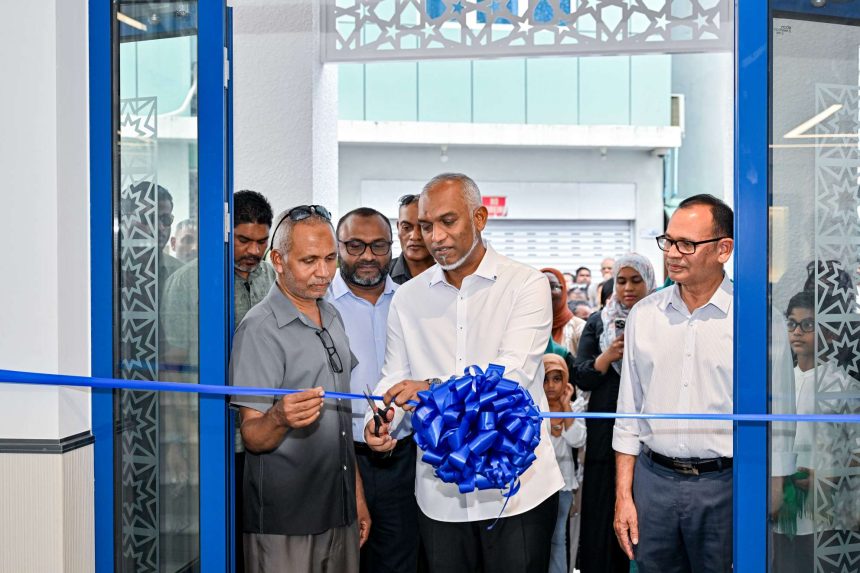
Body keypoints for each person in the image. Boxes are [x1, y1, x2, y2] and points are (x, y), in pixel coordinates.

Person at [364, 173, 564, 573]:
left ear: (480, 218)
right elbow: (394, 377)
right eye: (425, 225)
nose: (434, 237)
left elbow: (510, 378)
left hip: (520, 491)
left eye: (447, 221)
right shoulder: (407, 298)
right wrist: (384, 420)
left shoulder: (525, 284)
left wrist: (431, 389)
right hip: (439, 495)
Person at [229, 204, 369, 573]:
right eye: (309, 260)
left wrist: (356, 496)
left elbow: (340, 424)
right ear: (278, 260)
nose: (323, 272)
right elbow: (252, 435)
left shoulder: (332, 316)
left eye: (330, 258)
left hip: (339, 510)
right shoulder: (259, 328)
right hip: (285, 521)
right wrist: (279, 417)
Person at [612, 194, 735, 572]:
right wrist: (624, 495)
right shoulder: (645, 315)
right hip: (654, 483)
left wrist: (773, 489)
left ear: (723, 249)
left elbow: (778, 410)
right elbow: (628, 411)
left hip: (725, 486)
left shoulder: (751, 317)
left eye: (687, 244)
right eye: (668, 241)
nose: (672, 254)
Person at [161, 190, 277, 571]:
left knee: (260, 538)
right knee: (218, 537)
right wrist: (178, 442)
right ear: (225, 234)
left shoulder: (272, 278)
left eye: (261, 241)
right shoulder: (187, 283)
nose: (254, 251)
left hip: (268, 435)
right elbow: (173, 369)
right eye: (244, 240)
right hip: (210, 438)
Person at [326, 207, 419, 573]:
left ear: (392, 246)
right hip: (339, 458)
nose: (367, 255)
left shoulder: (412, 301)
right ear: (338, 246)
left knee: (400, 561)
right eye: (355, 245)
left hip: (403, 459)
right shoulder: (319, 305)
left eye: (378, 246)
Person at [573, 253, 655, 573]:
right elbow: (580, 375)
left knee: (643, 509)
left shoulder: (659, 321)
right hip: (604, 433)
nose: (628, 288)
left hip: (648, 434)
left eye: (636, 280)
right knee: (601, 509)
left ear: (649, 282)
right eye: (621, 281)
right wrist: (607, 357)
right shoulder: (598, 321)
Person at [542, 354, 587, 573]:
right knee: (535, 539)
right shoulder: (533, 407)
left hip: (562, 485)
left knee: (559, 538)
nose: (551, 385)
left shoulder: (574, 408)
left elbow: (577, 439)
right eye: (545, 379)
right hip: (536, 486)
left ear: (566, 381)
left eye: (557, 379)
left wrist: (566, 405)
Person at [391, 193, 435, 285]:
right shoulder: (382, 275)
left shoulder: (453, 274)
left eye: (424, 227)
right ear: (398, 228)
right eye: (406, 227)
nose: (415, 236)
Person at [542, 268, 587, 357]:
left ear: (563, 290)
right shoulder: (527, 327)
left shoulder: (579, 328)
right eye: (541, 287)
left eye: (553, 287)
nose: (547, 292)